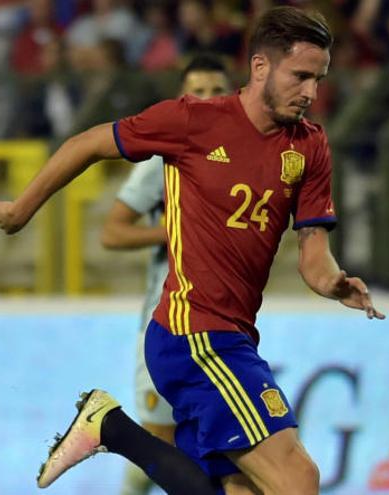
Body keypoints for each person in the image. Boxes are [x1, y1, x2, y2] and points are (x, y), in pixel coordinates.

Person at [0, 6, 384, 494]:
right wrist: (21, 209)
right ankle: (115, 429)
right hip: (193, 334)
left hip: (234, 337)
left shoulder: (310, 147)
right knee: (297, 480)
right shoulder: (192, 121)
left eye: (318, 79)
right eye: (300, 76)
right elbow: (89, 142)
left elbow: (313, 250)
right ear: (260, 67)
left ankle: (112, 428)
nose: (311, 93)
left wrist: (333, 282)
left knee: (238, 491)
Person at [100, 53, 232, 495]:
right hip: (167, 320)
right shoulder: (164, 159)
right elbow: (113, 232)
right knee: (161, 442)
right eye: (198, 91)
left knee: (214, 447)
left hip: (223, 322)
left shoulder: (244, 161)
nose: (208, 100)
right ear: (182, 99)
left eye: (217, 91)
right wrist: (175, 230)